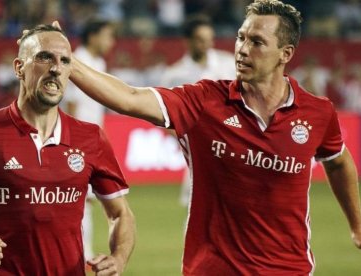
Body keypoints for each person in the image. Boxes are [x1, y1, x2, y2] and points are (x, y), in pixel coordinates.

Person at [62, 0, 361, 274]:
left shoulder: (317, 113)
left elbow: (338, 162)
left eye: (257, 42)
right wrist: (68, 62)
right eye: (241, 37)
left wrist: (357, 225)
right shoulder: (205, 101)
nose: (243, 49)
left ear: (286, 54)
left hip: (288, 269)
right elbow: (129, 97)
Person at [0, 24, 135, 275]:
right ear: (19, 68)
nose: (56, 68)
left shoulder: (91, 138)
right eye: (44, 57)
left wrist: (119, 259)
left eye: (65, 61)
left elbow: (121, 213)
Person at [158, 14, 236, 207]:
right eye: (201, 40)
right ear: (188, 41)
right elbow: (163, 116)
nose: (207, 45)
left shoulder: (229, 64)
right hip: (200, 152)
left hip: (233, 145)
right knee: (197, 208)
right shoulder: (174, 75)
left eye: (209, 39)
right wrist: (185, 140)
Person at [62, 17, 116, 261]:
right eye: (107, 35)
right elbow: (71, 103)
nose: (111, 41)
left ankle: (82, 253)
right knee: (81, 201)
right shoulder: (77, 60)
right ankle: (81, 255)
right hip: (77, 142)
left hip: (92, 141)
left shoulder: (99, 62)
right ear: (93, 36)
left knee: (88, 202)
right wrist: (74, 143)